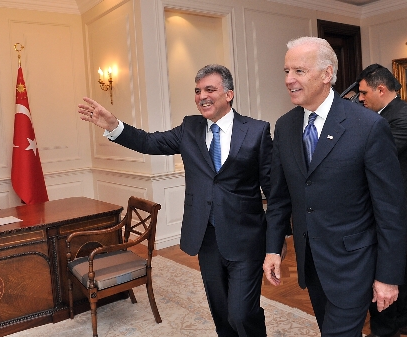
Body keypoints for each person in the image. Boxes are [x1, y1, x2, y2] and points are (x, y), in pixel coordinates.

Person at [78, 64, 287, 337]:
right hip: (206, 237)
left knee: (242, 313)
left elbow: (274, 193)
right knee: (221, 314)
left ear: (229, 94)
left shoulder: (257, 131)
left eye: (210, 89)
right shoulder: (190, 127)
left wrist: (275, 245)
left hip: (246, 239)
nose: (202, 96)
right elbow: (149, 142)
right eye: (198, 91)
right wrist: (114, 126)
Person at [263, 36, 407, 337]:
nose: (289, 79)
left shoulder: (367, 126)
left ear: (327, 74)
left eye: (299, 71)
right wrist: (273, 249)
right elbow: (279, 197)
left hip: (354, 265)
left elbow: (390, 209)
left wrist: (388, 277)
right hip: (311, 264)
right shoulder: (285, 126)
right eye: (286, 71)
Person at [358, 63, 407, 337]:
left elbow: (379, 156)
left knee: (389, 267)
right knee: (398, 267)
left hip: (402, 209)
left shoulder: (405, 116)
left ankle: (388, 326)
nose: (360, 98)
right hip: (392, 208)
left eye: (364, 93)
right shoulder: (382, 115)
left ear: (381, 89)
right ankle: (404, 317)